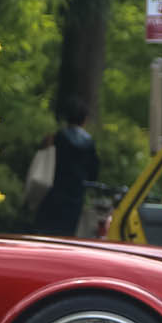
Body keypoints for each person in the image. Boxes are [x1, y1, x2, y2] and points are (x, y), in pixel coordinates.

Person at [32, 99, 100, 236]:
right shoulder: (89, 143)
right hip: (76, 195)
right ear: (84, 120)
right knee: (67, 235)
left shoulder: (58, 137)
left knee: (47, 232)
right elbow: (94, 171)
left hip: (55, 192)